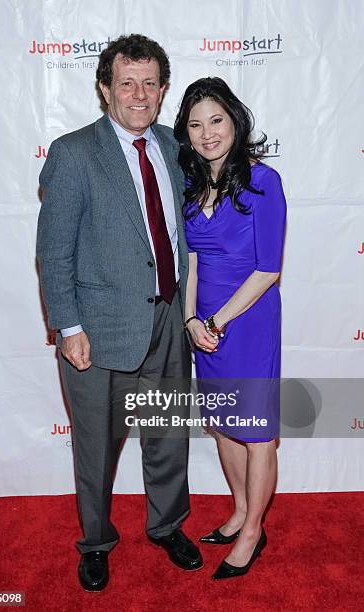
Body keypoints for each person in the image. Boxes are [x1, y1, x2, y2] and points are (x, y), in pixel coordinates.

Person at [36, 34, 202, 592]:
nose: (140, 94)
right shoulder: (74, 152)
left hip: (167, 320)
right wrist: (69, 326)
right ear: (105, 88)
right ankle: (97, 541)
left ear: (163, 90)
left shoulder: (176, 147)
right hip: (99, 330)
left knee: (166, 436)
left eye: (151, 82)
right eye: (127, 82)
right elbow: (54, 251)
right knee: (95, 447)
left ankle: (167, 526)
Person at [174, 77, 287, 579]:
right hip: (206, 329)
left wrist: (217, 320)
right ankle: (240, 510)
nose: (207, 133)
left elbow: (269, 269)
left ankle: (251, 533)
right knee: (223, 425)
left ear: (235, 122)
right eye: (196, 124)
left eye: (216, 120)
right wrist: (192, 321)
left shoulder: (264, 181)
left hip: (248, 321)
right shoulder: (193, 186)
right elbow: (193, 264)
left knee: (257, 432)